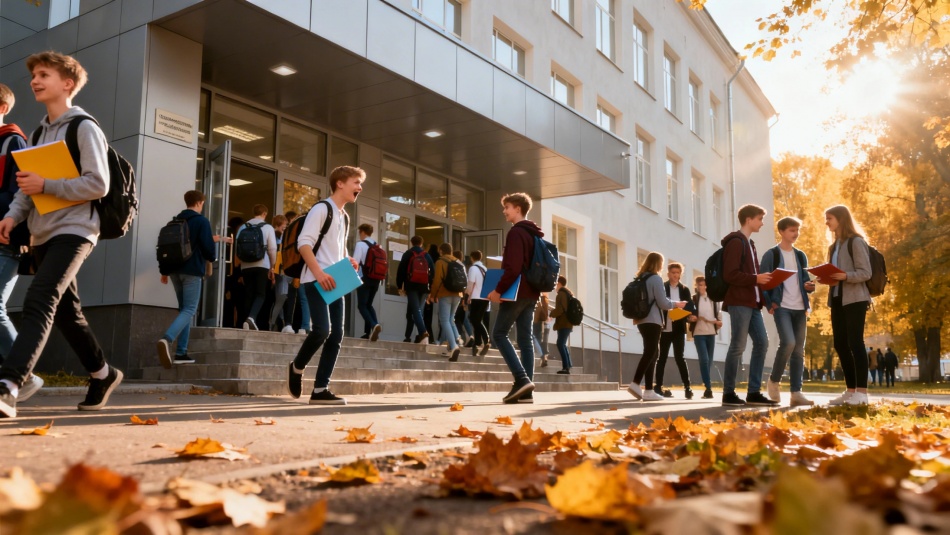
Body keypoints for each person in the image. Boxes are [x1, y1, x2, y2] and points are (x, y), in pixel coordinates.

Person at [0, 51, 122, 418]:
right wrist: (12, 215)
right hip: (42, 233)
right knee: (68, 311)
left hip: (77, 230)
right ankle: (103, 373)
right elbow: (27, 187)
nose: (35, 81)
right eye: (34, 75)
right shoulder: (38, 132)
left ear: (67, 83)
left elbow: (98, 184)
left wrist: (47, 184)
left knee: (40, 298)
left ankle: (9, 384)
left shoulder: (84, 127)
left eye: (44, 75)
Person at [287, 166, 364, 405]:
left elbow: (336, 248)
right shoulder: (322, 209)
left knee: (337, 335)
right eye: (356, 182)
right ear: (340, 183)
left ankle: (320, 389)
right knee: (322, 330)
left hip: (336, 279)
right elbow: (304, 244)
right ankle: (297, 366)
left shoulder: (344, 216)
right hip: (315, 279)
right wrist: (318, 273)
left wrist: (347, 258)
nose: (359, 188)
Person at [0, 82, 43, 403]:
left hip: (6, 238)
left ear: (2, 108)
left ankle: (22, 375)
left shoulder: (14, 142)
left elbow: (21, 193)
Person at [487, 192, 542, 404]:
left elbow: (513, 267)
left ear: (517, 208)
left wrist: (498, 290)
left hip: (517, 292)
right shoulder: (534, 234)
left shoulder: (516, 233)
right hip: (531, 293)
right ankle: (526, 392)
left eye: (507, 207)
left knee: (499, 334)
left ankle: (521, 379)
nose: (504, 211)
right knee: (525, 340)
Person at [720, 204, 777, 407]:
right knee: (738, 346)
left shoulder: (750, 244)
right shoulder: (736, 242)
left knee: (762, 343)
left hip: (753, 304)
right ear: (748, 220)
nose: (762, 223)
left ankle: (753, 392)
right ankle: (728, 393)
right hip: (739, 302)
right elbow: (730, 274)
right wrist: (756, 278)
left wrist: (766, 300)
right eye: (760, 219)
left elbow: (756, 279)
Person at [157, 190, 220, 368]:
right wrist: (212, 259)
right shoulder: (201, 221)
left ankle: (181, 352)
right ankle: (167, 339)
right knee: (190, 309)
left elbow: (164, 247)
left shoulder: (175, 221)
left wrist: (164, 271)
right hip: (192, 271)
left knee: (184, 310)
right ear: (199, 202)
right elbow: (208, 248)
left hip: (174, 271)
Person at [759, 216, 815, 407]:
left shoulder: (800, 255)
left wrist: (809, 286)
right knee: (788, 343)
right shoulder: (772, 255)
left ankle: (796, 392)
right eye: (792, 230)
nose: (795, 234)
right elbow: (764, 281)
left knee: (799, 351)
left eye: (797, 230)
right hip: (781, 306)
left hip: (800, 307)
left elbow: (805, 279)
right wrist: (769, 303)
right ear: (782, 232)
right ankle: (774, 382)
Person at [820, 205, 872, 406]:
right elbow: (835, 275)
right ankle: (851, 391)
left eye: (830, 218)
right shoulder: (833, 247)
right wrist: (826, 279)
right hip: (837, 299)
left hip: (855, 299)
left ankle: (862, 392)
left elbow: (865, 272)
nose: (827, 222)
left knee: (855, 343)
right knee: (840, 344)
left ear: (841, 219)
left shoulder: (856, 242)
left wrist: (845, 276)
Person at [626, 252, 683, 402]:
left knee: (653, 353)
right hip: (653, 320)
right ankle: (636, 383)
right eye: (662, 264)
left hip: (641, 320)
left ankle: (649, 390)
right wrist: (676, 304)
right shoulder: (655, 279)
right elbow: (663, 303)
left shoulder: (641, 278)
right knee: (651, 352)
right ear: (659, 264)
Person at [654, 262, 694, 399]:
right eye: (673, 273)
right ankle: (658, 386)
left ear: (680, 274)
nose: (675, 275)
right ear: (668, 273)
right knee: (662, 358)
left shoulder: (684, 289)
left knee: (680, 357)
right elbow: (659, 304)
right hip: (665, 327)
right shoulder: (663, 287)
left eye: (677, 273)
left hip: (678, 328)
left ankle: (687, 387)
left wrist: (686, 314)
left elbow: (689, 307)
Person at [236, 204, 277, 330]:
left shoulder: (243, 226)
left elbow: (238, 247)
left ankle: (245, 321)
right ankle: (251, 318)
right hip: (262, 264)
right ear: (264, 214)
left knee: (248, 293)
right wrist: (272, 266)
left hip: (245, 265)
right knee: (260, 294)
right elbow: (272, 248)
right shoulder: (268, 227)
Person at [688, 276, 721, 399]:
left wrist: (719, 322)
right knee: (704, 359)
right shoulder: (694, 299)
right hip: (699, 333)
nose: (702, 287)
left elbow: (718, 314)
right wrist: (691, 318)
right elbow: (688, 316)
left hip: (711, 333)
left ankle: (706, 383)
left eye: (704, 285)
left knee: (710, 361)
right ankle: (708, 388)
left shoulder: (713, 299)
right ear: (696, 286)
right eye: (700, 285)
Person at [396, 235, 434, 344]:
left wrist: (400, 286)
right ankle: (408, 336)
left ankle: (423, 332)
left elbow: (401, 270)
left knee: (415, 310)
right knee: (414, 311)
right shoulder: (427, 255)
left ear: (411, 243)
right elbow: (433, 272)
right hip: (424, 287)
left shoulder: (408, 254)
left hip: (411, 286)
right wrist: (430, 287)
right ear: (421, 243)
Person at [429, 243, 463, 361]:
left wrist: (433, 295)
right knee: (450, 319)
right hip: (458, 294)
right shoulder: (459, 262)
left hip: (445, 294)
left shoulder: (440, 262)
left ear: (441, 250)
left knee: (444, 320)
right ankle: (453, 345)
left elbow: (437, 279)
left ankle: (454, 346)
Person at [353, 223, 382, 341]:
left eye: (359, 232)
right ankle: (369, 331)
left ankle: (374, 325)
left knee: (361, 305)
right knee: (368, 305)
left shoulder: (360, 244)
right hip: (376, 279)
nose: (359, 235)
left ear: (363, 232)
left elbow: (355, 262)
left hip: (365, 278)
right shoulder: (378, 246)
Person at [465, 250, 491, 357]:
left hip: (476, 297)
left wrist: (467, 297)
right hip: (485, 298)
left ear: (472, 257)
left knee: (474, 319)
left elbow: (470, 284)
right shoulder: (485, 269)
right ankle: (477, 342)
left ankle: (486, 339)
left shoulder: (473, 268)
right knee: (478, 320)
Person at [267, 214, 289, 332]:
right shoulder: (278, 237)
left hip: (276, 271)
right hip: (279, 271)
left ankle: (278, 322)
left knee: (279, 297)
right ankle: (274, 322)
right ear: (277, 225)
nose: (284, 230)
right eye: (283, 227)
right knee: (281, 297)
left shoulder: (275, 235)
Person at [549, 277, 574, 374]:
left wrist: (551, 313)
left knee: (560, 343)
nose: (555, 286)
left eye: (556, 284)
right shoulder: (568, 293)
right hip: (567, 323)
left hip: (564, 323)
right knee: (562, 343)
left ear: (559, 283)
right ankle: (568, 365)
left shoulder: (561, 294)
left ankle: (566, 367)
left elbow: (561, 310)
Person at [533, 293, 551, 366]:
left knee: (534, 338)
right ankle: (544, 357)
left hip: (537, 322)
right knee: (542, 341)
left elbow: (538, 310)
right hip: (543, 323)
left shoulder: (540, 298)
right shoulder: (545, 300)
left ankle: (542, 356)